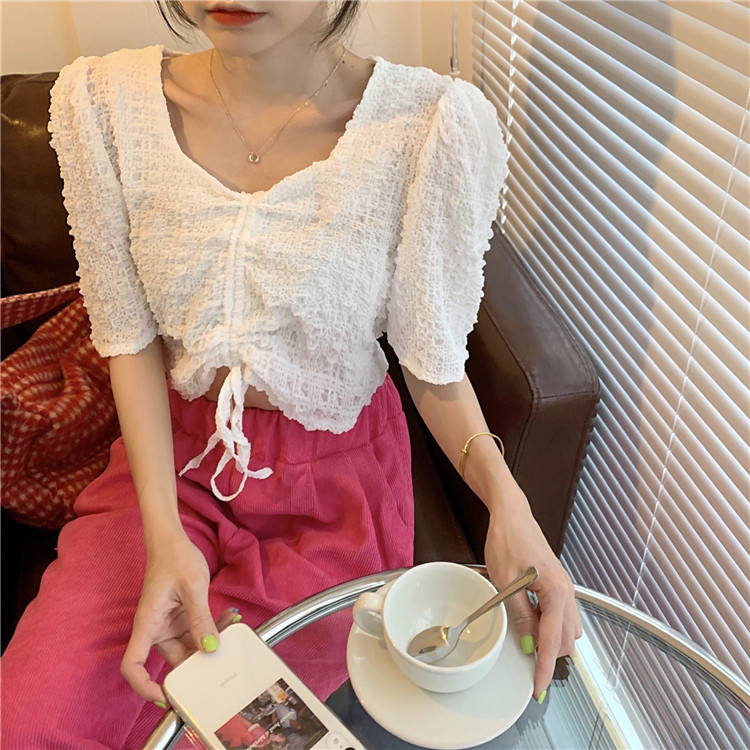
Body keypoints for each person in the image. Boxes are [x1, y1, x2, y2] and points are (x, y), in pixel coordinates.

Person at [1, 1, 581, 747]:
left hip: (333, 492)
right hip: (172, 463)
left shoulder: (428, 126)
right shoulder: (104, 106)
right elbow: (129, 339)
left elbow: (433, 365)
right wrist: (163, 532)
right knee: (32, 721)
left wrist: (509, 505)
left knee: (246, 734)